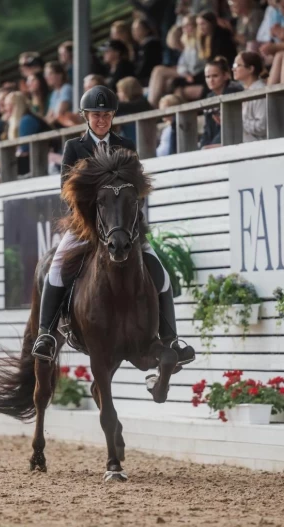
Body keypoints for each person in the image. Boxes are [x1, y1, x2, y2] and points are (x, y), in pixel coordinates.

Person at [32, 85, 196, 368]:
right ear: (85, 116)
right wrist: (91, 219)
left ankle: (171, 339)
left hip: (123, 227)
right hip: (86, 226)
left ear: (112, 117)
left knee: (161, 272)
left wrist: (128, 219)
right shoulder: (74, 147)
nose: (101, 120)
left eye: (106, 115)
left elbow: (138, 188)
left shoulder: (126, 146)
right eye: (96, 115)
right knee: (56, 267)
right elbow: (67, 192)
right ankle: (46, 334)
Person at [199, 56, 244, 149]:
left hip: (234, 139)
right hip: (216, 140)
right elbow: (208, 129)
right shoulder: (209, 97)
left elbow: (231, 127)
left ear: (226, 75)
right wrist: (203, 145)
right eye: (208, 77)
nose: (211, 80)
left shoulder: (234, 92)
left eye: (215, 76)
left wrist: (208, 146)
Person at [232, 52, 267, 142]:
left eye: (237, 65)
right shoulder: (247, 91)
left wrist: (236, 121)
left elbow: (262, 127)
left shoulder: (260, 91)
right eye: (234, 65)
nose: (233, 69)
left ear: (250, 69)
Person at [132, 17, 164, 87]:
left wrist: (135, 77)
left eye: (138, 29)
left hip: (150, 77)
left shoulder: (152, 44)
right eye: (133, 30)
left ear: (147, 30)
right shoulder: (139, 47)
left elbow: (147, 66)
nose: (134, 32)